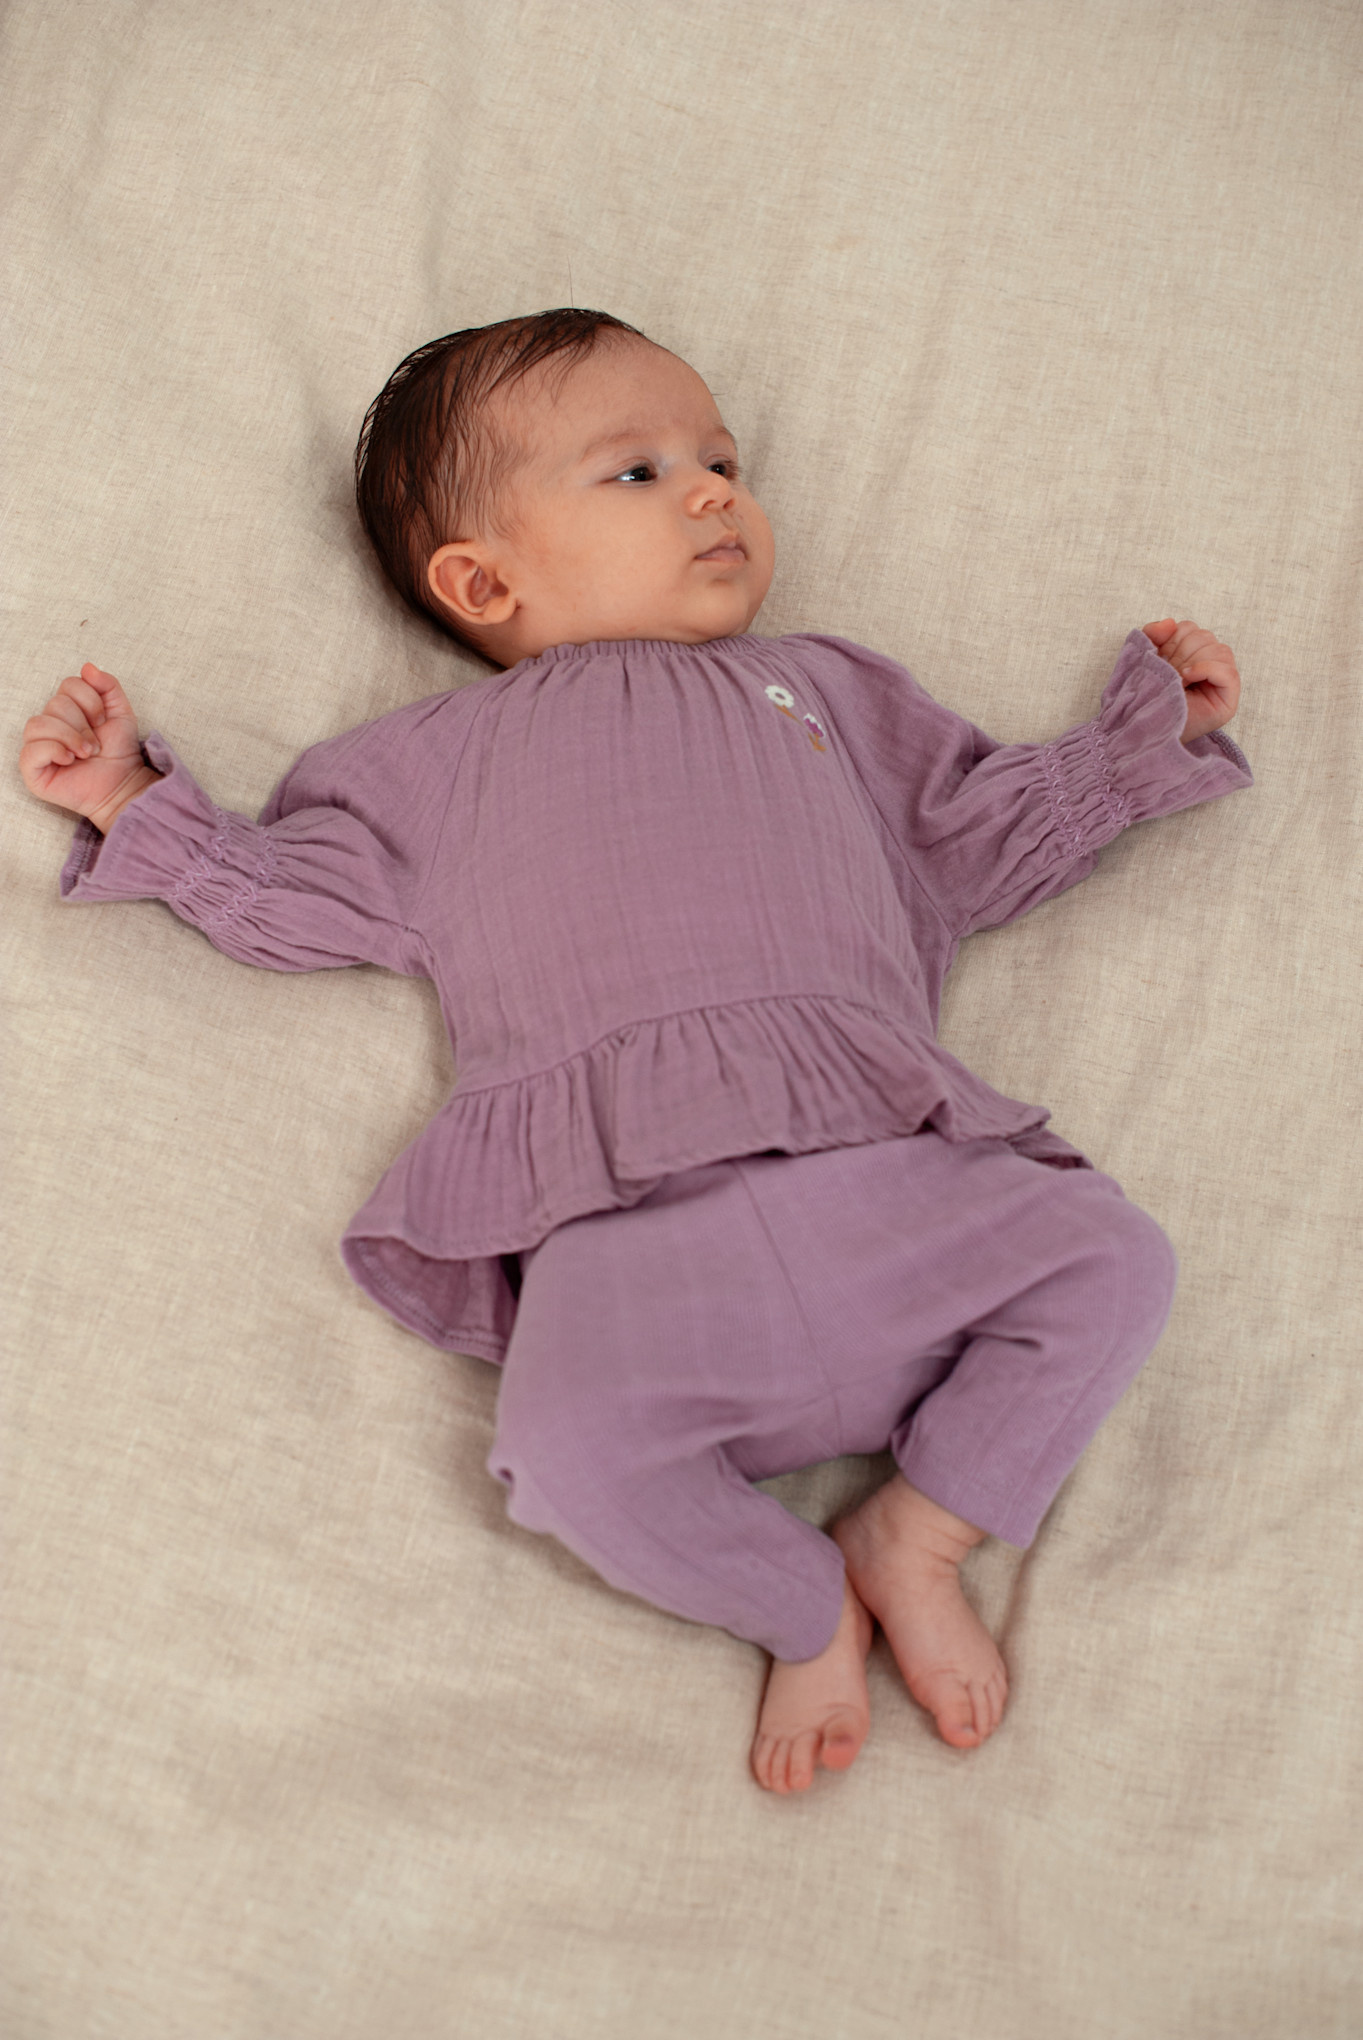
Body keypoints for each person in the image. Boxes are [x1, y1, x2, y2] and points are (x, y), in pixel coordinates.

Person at [18, 308, 1250, 1794]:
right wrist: (133, 801)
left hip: (884, 1171)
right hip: (621, 1230)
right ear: (483, 580)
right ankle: (797, 1602)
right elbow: (291, 898)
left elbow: (972, 838)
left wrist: (1132, 750)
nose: (715, 489)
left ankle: (919, 1529)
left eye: (722, 459)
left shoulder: (827, 691)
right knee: (559, 1453)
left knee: (1114, 1259)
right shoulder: (425, 764)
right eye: (640, 472)